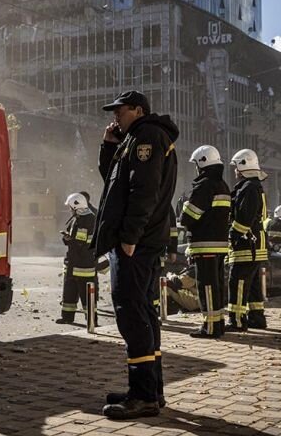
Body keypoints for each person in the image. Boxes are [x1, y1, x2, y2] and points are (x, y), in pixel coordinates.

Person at [93, 90, 178, 420]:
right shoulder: (134, 139)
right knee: (141, 311)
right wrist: (109, 146)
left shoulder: (148, 137)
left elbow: (144, 190)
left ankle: (142, 396)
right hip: (138, 242)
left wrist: (129, 237)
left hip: (136, 244)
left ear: (138, 109)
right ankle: (151, 391)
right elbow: (114, 184)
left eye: (120, 110)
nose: (115, 116)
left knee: (131, 313)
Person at [179, 145, 230, 339]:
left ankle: (210, 327)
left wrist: (184, 205)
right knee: (215, 285)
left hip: (204, 244)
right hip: (220, 244)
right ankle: (218, 323)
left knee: (206, 286)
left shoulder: (204, 185)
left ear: (202, 163)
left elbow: (189, 217)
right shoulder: (223, 185)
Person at [226, 149, 268, 331]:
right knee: (253, 285)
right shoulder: (254, 186)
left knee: (239, 281)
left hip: (246, 244)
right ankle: (257, 318)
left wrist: (233, 235)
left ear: (243, 166)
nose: (234, 170)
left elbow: (245, 217)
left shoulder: (249, 188)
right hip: (255, 243)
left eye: (236, 166)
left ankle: (236, 320)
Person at [57, 192, 98, 324]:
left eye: (70, 207)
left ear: (76, 206)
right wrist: (67, 238)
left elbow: (81, 243)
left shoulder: (87, 220)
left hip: (83, 265)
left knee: (86, 295)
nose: (69, 210)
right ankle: (67, 317)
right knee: (69, 292)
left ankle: (91, 320)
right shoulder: (77, 218)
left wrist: (70, 239)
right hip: (73, 263)